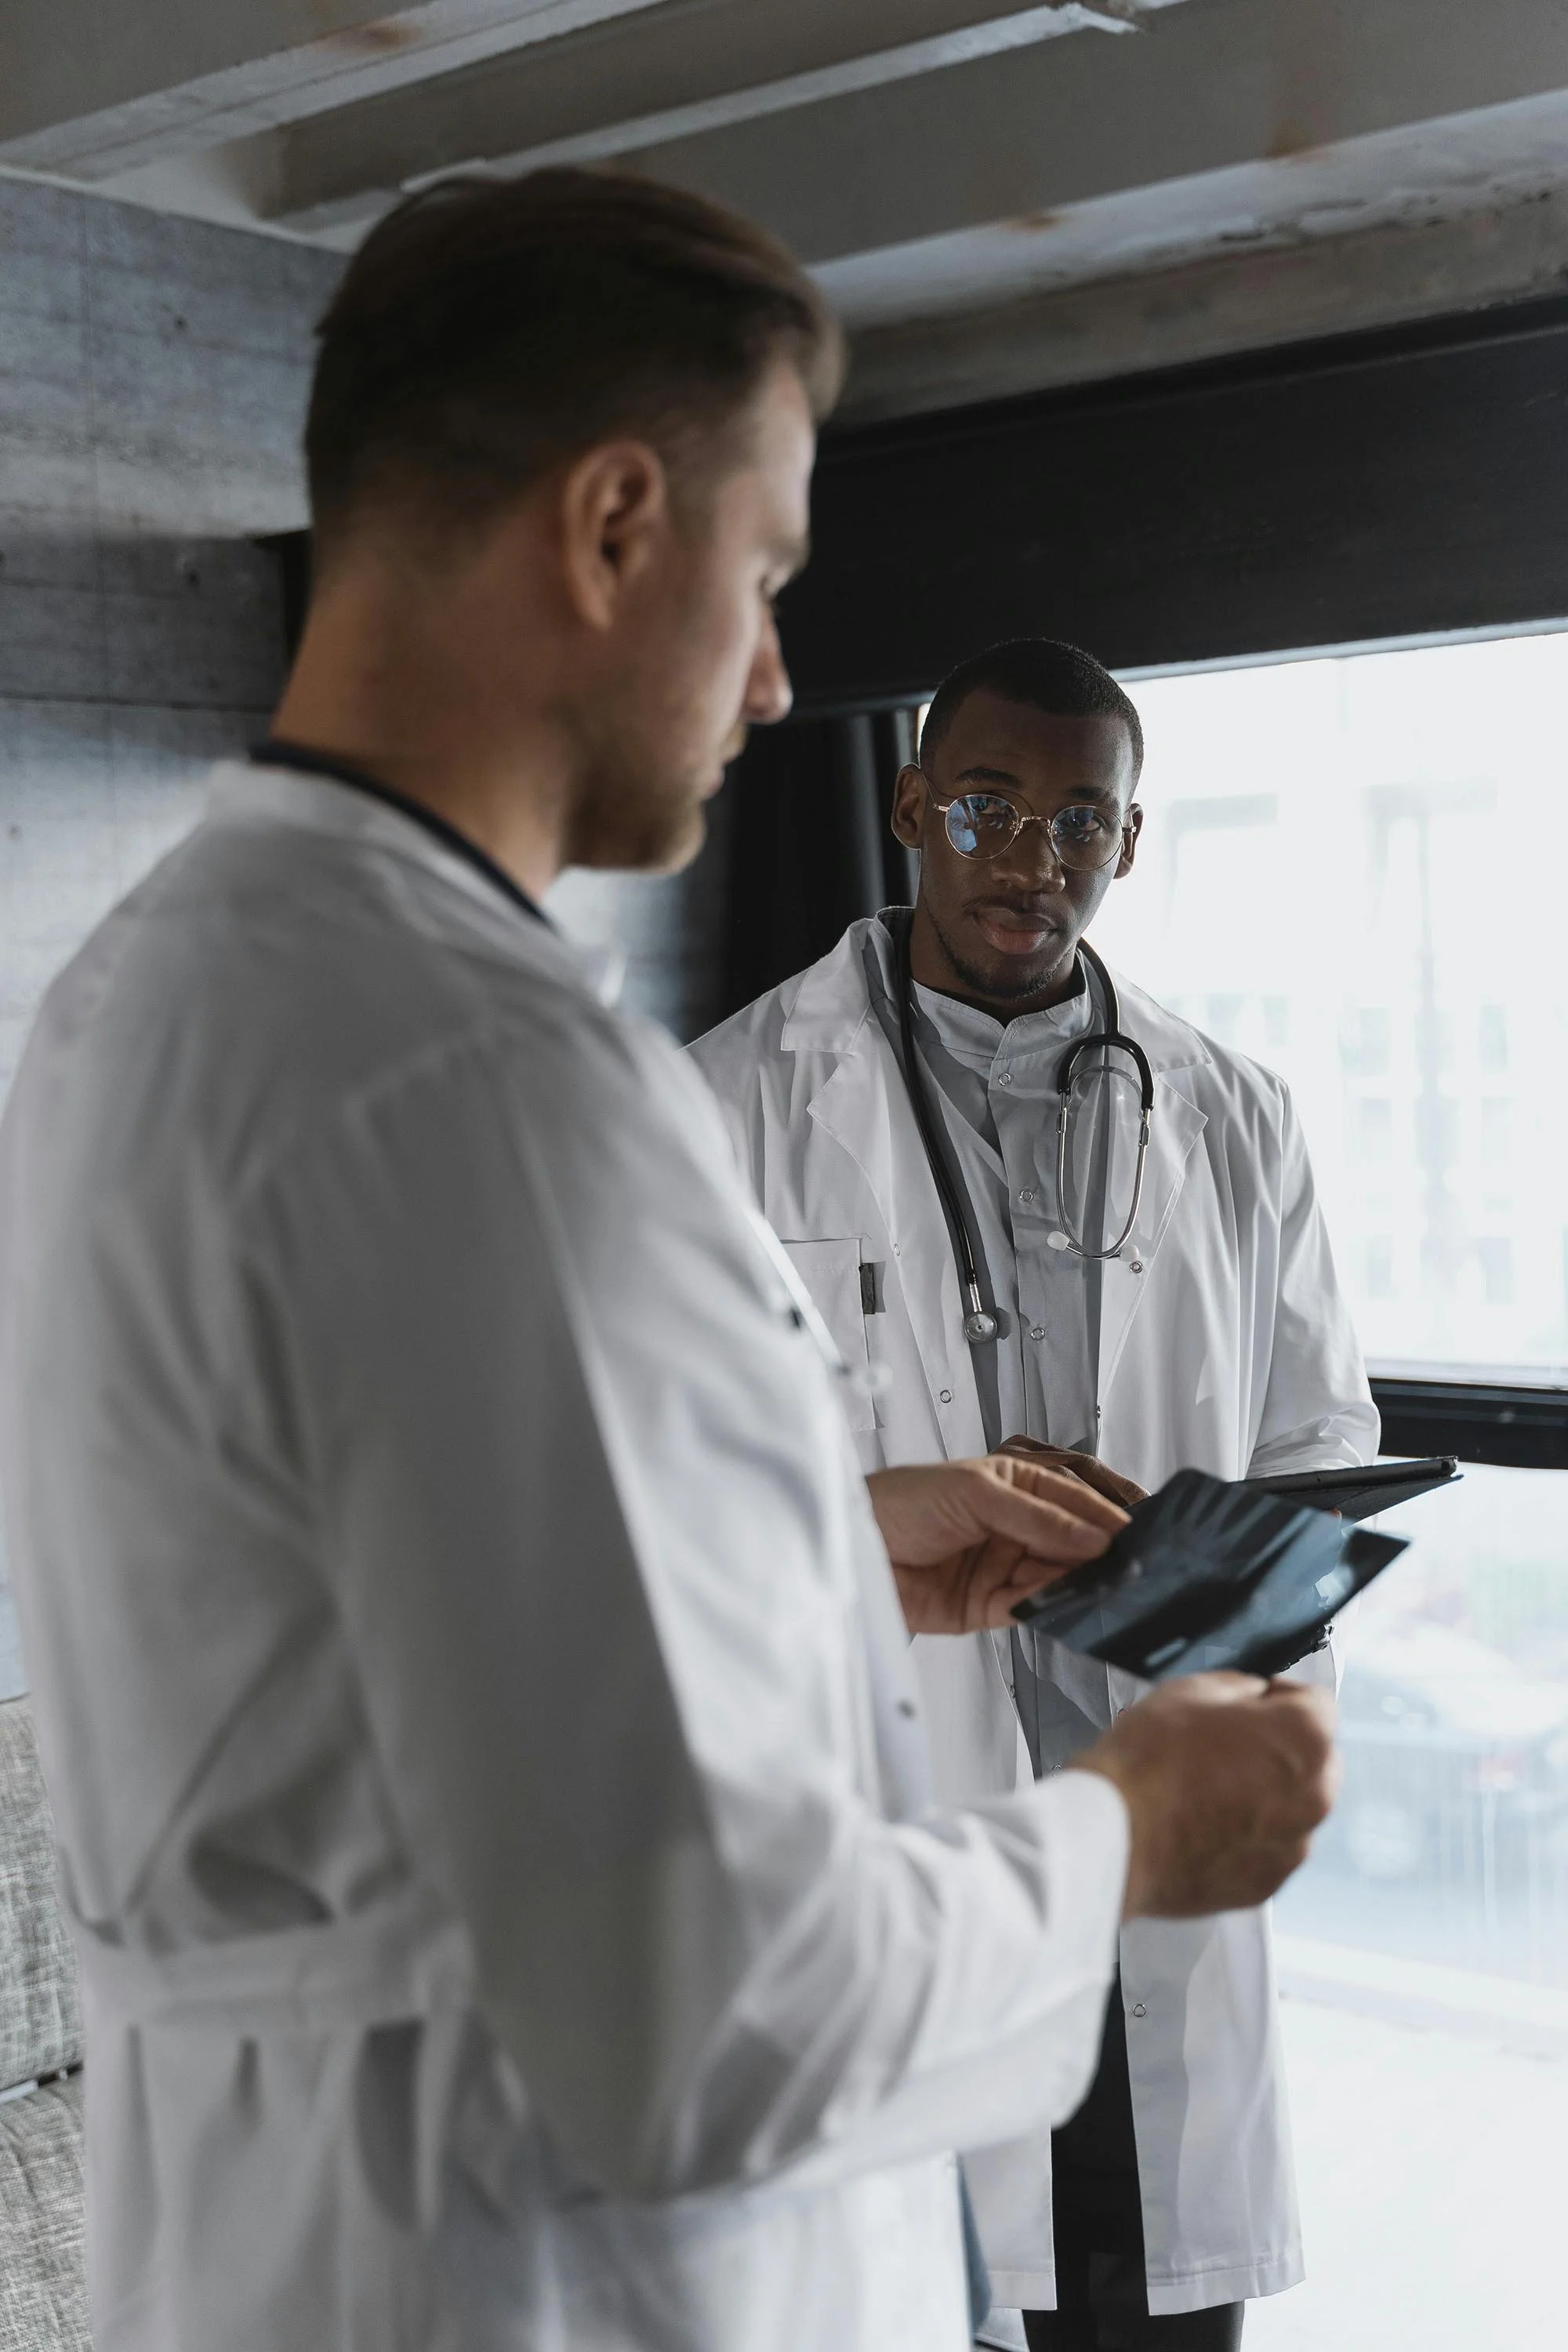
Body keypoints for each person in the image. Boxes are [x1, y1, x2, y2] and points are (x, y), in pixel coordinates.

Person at [0, 181, 1336, 2352]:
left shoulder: (152, 993)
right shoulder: (495, 1087)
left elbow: (376, 1690)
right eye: (772, 571)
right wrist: (1127, 1834)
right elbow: (711, 2010)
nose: (785, 671)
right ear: (618, 526)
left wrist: (820, 1535)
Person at [691, 639, 1378, 2351]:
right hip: (895, 1808)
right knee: (918, 2283)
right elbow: (674, 1481)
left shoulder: (1234, 1113)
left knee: (1144, 2293)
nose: (1034, 854)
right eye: (989, 806)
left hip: (1148, 1776)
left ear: (1131, 843)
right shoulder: (726, 1105)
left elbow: (1313, 1438)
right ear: (914, 806)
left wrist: (1249, 1634)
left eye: (1085, 818)